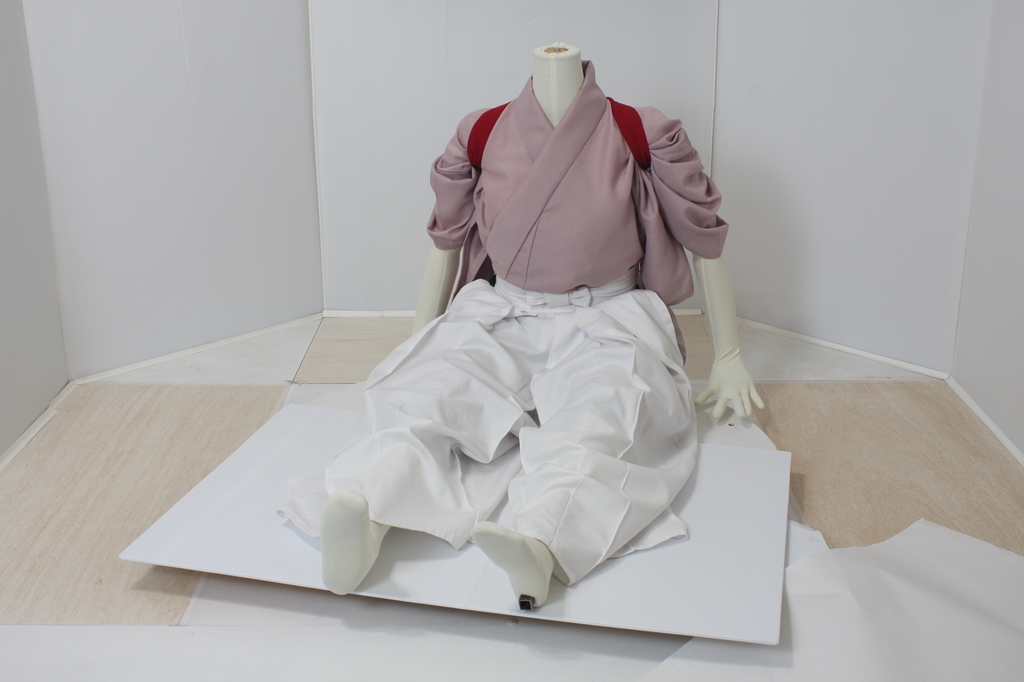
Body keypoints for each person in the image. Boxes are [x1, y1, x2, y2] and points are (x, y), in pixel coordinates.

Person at [281, 43, 761, 610]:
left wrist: (729, 355)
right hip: (503, 311)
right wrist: (421, 347)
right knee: (429, 396)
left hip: (607, 316)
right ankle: (364, 510)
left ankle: (544, 540)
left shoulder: (641, 131)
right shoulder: (481, 133)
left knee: (603, 416)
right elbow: (445, 248)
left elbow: (705, 241)